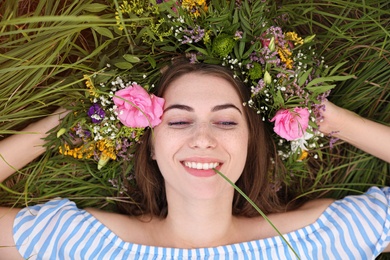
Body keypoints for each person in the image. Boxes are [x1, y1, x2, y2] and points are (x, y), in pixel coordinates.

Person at [0, 61, 389, 259]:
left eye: (225, 121)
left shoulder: (323, 240)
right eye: (180, 120)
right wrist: (70, 123)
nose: (202, 138)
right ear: (150, 145)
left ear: (251, 142)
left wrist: (335, 121)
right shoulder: (80, 241)